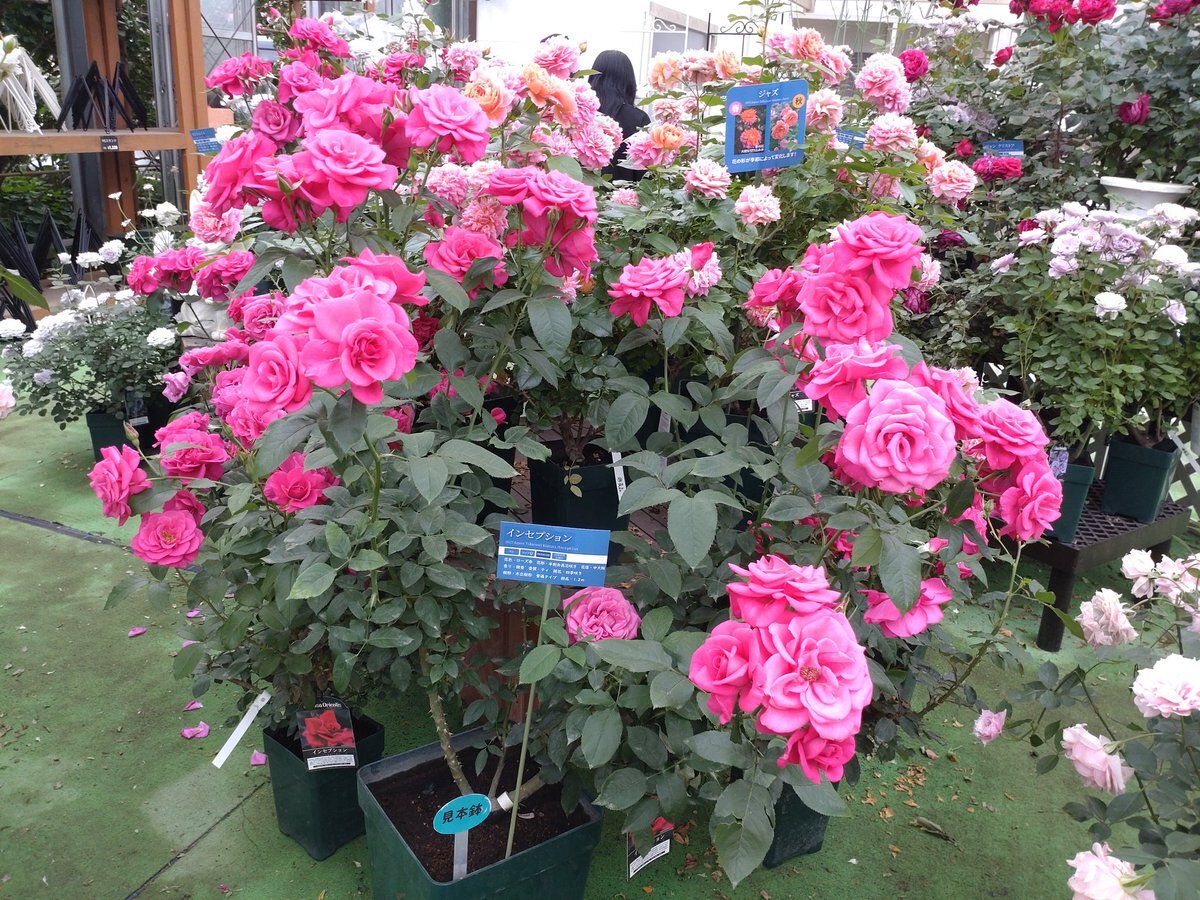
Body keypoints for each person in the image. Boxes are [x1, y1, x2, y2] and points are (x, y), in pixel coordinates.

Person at [588, 50, 650, 182]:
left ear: (594, 77)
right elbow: (645, 175)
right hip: (625, 193)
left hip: (581, 192)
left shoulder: (581, 116)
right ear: (628, 80)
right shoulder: (638, 119)